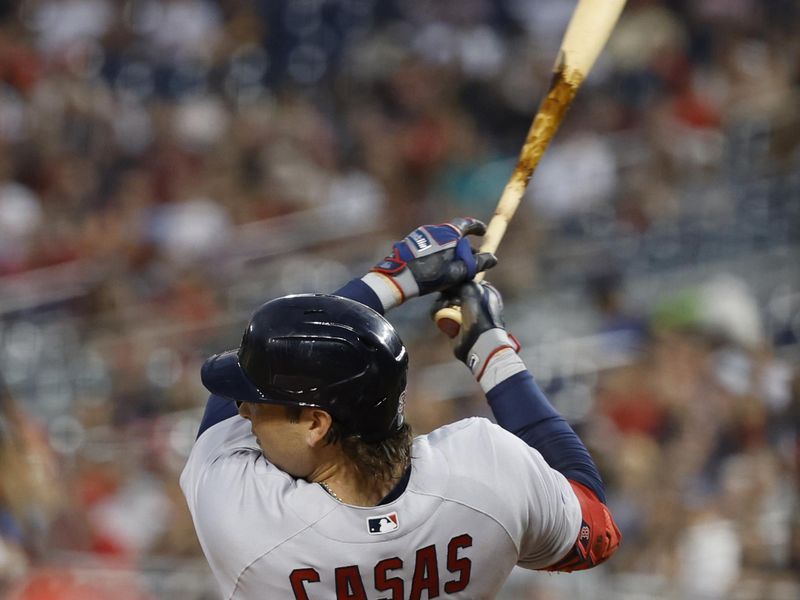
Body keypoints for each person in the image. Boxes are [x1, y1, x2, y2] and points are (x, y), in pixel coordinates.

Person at [180, 217, 621, 599]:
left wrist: (393, 279)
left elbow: (236, 385)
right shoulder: (487, 471)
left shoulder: (244, 520)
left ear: (317, 423)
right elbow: (596, 528)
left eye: (262, 404)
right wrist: (491, 349)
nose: (244, 411)